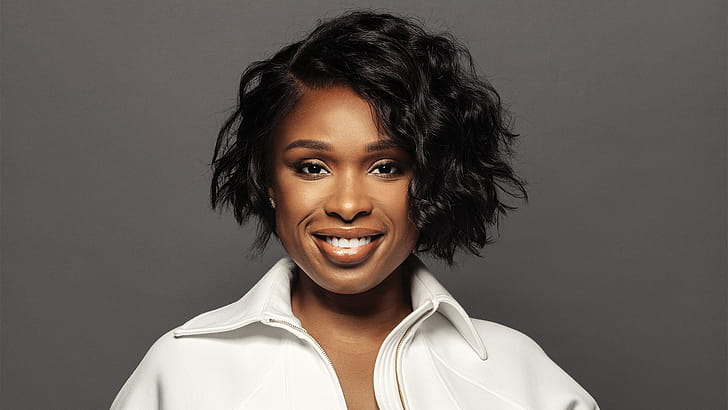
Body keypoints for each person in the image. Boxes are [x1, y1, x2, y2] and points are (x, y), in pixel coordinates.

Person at [111, 10, 599, 410]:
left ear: (433, 180)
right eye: (312, 168)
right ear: (268, 182)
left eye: (386, 167)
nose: (348, 205)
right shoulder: (184, 373)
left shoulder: (518, 379)